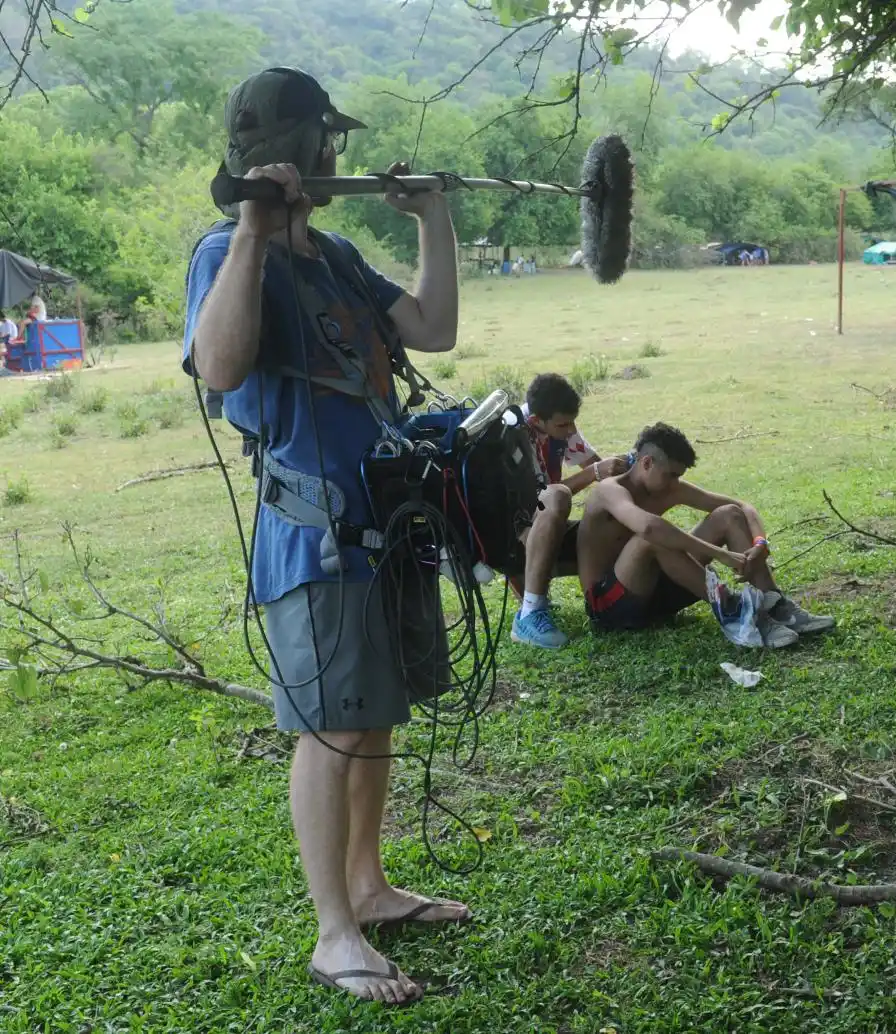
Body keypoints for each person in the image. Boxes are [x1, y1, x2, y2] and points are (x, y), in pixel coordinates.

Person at [183, 67, 464, 1007]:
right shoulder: (222, 250)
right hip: (316, 535)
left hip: (386, 520)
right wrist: (257, 235)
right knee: (329, 725)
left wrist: (431, 219)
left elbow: (433, 328)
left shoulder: (339, 258)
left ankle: (371, 887)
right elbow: (221, 368)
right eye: (327, 141)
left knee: (374, 712)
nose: (334, 156)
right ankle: (333, 934)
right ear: (309, 150)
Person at [578, 422, 835, 648]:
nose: (674, 483)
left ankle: (776, 605)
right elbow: (649, 529)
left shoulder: (669, 488)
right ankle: (737, 614)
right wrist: (721, 555)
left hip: (656, 595)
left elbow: (744, 507)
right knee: (651, 537)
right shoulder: (609, 491)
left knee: (728, 515)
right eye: (671, 475)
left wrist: (760, 542)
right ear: (646, 463)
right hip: (609, 607)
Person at [510, 373, 629, 648]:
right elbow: (540, 500)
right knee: (558, 496)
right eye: (564, 424)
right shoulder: (514, 435)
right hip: (520, 530)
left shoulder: (558, 424)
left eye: (572, 422)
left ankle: (606, 600)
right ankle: (530, 612)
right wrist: (593, 473)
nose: (570, 429)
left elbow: (594, 464)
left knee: (613, 523)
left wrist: (625, 473)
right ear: (536, 421)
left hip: (546, 522)